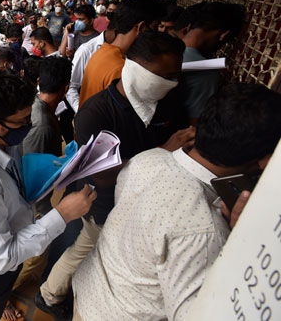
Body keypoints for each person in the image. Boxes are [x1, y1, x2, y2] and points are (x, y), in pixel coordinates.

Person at [72, 83, 281, 320]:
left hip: (91, 290)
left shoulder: (148, 159)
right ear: (265, 160)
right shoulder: (203, 229)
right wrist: (239, 243)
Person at [37, 32, 193, 319]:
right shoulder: (94, 114)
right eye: (165, 76)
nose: (173, 83)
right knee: (85, 248)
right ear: (135, 68)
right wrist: (163, 151)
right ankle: (50, 295)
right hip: (105, 203)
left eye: (176, 75)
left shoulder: (169, 102)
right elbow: (102, 176)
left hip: (147, 201)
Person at [0, 69, 96, 321]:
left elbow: (12, 174)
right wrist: (62, 214)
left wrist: (52, 167)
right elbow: (2, 255)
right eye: (23, 122)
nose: (29, 126)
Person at [78, 0, 163, 108]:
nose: (156, 34)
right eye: (155, 28)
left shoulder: (103, 51)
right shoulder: (120, 68)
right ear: (141, 27)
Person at [177, 1, 245, 124]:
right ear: (223, 35)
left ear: (189, 26)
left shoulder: (162, 45)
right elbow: (193, 126)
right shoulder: (206, 72)